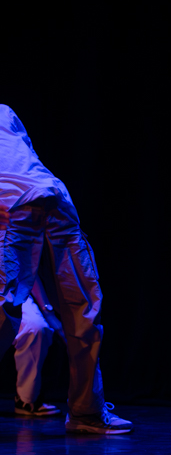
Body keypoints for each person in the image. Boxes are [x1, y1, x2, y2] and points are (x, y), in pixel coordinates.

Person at [0, 104, 132, 434]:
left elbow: (26, 157)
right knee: (5, 313)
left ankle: (86, 412)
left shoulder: (6, 112)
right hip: (13, 210)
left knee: (86, 311)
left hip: (54, 198)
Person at [10, 277, 62, 416]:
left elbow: (29, 270)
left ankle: (27, 399)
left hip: (11, 287)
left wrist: (48, 312)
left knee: (35, 328)